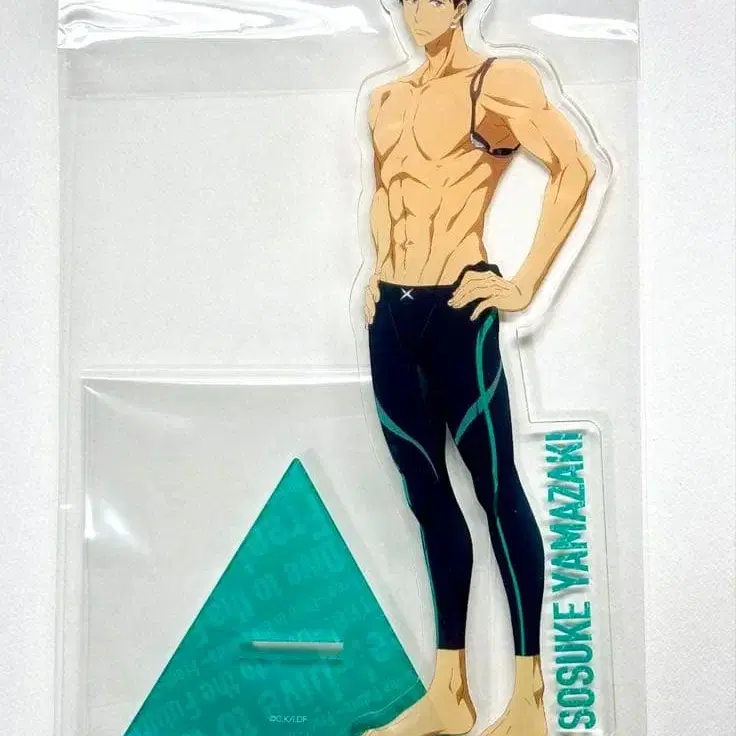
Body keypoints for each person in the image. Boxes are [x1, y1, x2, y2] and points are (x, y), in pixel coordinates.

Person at [363, 0, 596, 734]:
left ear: (463, 3)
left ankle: (529, 701)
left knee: (497, 492)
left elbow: (575, 167)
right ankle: (451, 692)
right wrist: (375, 271)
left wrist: (523, 282)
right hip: (391, 314)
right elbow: (386, 193)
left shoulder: (497, 82)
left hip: (459, 310)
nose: (416, 10)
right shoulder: (384, 99)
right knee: (426, 497)